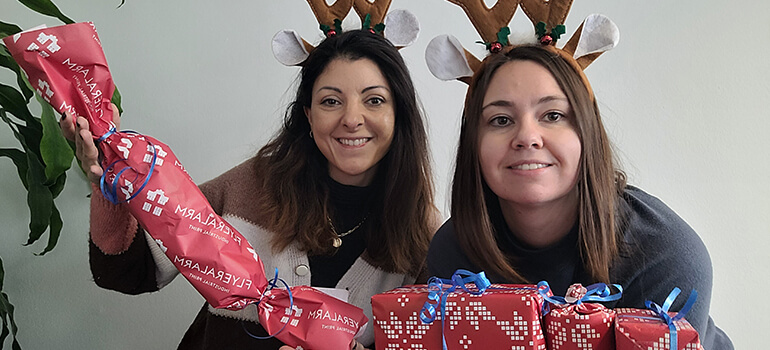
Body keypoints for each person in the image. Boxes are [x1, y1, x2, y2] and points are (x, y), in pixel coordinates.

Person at [61, 29, 438, 349]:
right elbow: (126, 272)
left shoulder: (427, 238)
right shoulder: (247, 189)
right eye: (330, 101)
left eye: (374, 100)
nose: (352, 119)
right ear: (308, 115)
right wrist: (106, 177)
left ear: (398, 114)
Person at [426, 45, 733, 349]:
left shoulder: (663, 253)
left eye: (553, 115)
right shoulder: (454, 251)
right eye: (501, 120)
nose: (527, 138)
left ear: (587, 132)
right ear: (473, 144)